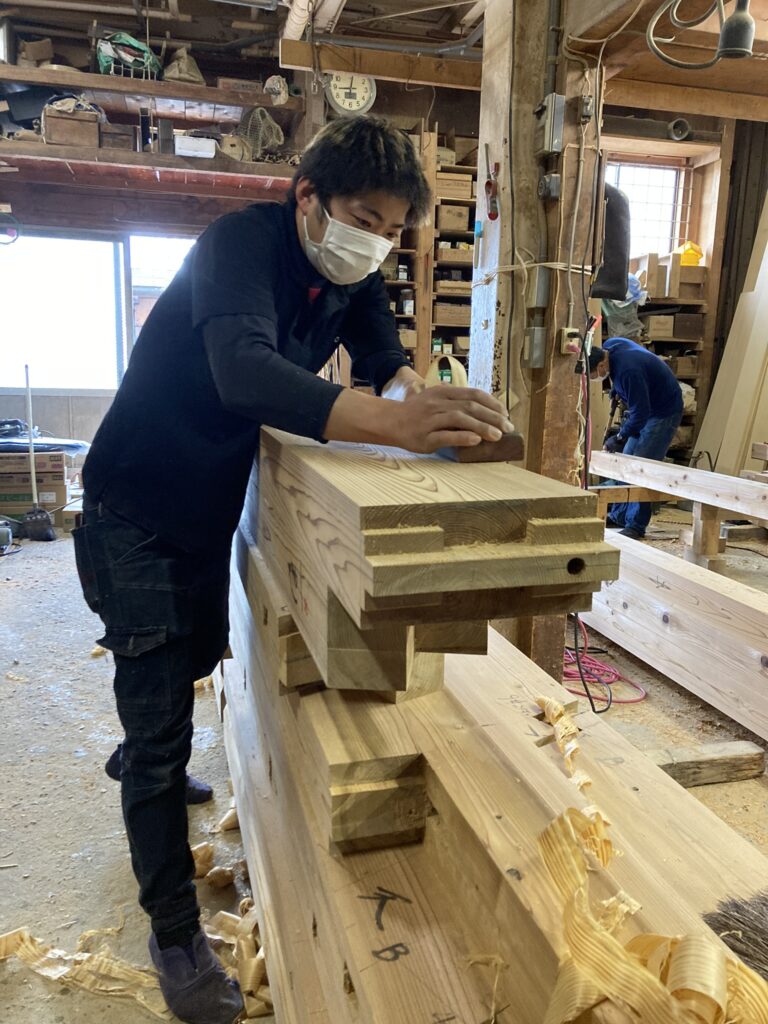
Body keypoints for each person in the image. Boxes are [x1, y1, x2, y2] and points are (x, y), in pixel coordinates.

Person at [73, 116, 513, 1024]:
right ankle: (172, 932)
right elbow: (244, 372)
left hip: (206, 500)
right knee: (160, 730)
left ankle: (143, 733)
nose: (376, 242)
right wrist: (392, 425)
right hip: (136, 505)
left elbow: (386, 363)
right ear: (308, 196)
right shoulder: (237, 246)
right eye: (364, 219)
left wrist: (423, 400)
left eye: (392, 230)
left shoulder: (350, 272)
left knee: (193, 650)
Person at [589, 336, 683, 540]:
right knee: (626, 462)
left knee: (641, 468)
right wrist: (616, 389)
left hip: (662, 412)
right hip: (646, 407)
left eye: (594, 374)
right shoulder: (610, 346)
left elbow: (641, 413)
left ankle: (636, 525)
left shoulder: (629, 372)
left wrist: (619, 437)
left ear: (602, 364)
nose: (595, 378)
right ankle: (619, 516)